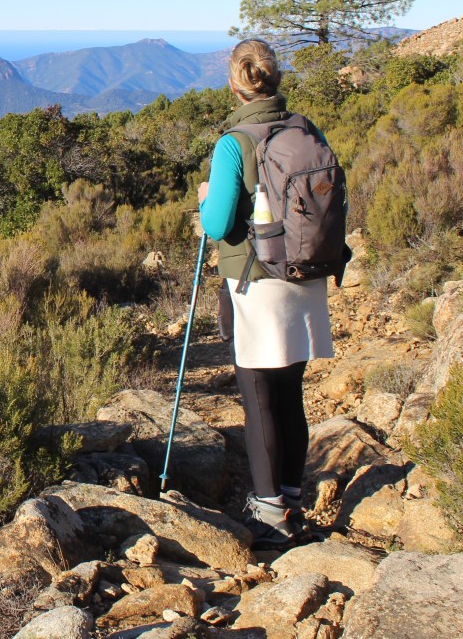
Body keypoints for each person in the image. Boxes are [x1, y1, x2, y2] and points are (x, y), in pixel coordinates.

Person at [198, 39, 335, 549]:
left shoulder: (235, 141)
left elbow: (216, 224)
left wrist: (208, 201)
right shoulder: (305, 128)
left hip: (257, 280)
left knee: (259, 400)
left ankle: (268, 511)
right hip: (306, 273)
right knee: (290, 392)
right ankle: (291, 495)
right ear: (274, 79)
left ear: (235, 84)